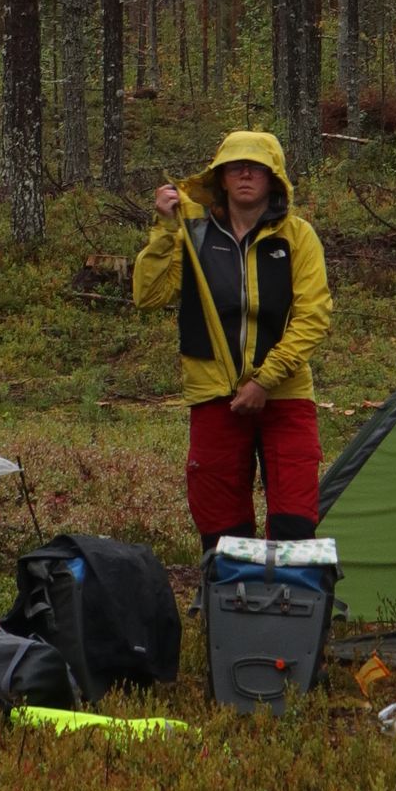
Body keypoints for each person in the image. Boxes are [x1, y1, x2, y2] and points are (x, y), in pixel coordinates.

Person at [131, 128, 333, 551]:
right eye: (235, 166)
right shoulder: (194, 236)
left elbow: (313, 317)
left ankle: (290, 610)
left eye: (256, 167)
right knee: (223, 530)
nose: (245, 173)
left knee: (294, 524)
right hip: (213, 396)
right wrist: (165, 229)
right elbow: (148, 296)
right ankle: (227, 609)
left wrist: (265, 381)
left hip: (285, 395)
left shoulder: (298, 237)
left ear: (273, 178)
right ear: (219, 177)